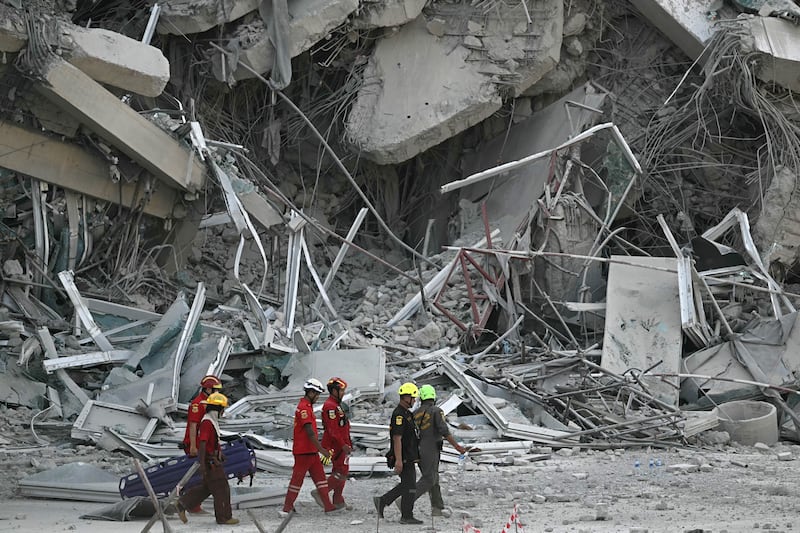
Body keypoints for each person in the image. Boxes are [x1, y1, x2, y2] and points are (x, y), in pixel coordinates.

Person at [281, 378, 342, 515]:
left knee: (320, 479)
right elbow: (309, 432)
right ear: (311, 392)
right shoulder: (304, 408)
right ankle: (287, 507)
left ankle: (328, 506)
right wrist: (322, 450)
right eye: (317, 394)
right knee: (297, 480)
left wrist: (318, 449)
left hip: (311, 451)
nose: (318, 397)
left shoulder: (307, 407)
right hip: (304, 452)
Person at [177, 392, 239, 525]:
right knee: (222, 488)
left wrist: (219, 454)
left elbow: (212, 442)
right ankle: (224, 517)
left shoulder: (210, 421)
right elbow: (203, 443)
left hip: (211, 459)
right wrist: (203, 465)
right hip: (210, 462)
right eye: (223, 409)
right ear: (218, 409)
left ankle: (183, 503)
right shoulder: (207, 423)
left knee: (207, 488)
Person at [373, 382, 423, 525]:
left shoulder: (407, 414)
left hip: (409, 455)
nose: (414, 401)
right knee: (410, 486)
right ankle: (406, 515)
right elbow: (397, 438)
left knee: (408, 485)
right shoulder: (399, 415)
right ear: (406, 397)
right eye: (413, 398)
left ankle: (383, 501)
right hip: (403, 456)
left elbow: (411, 437)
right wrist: (399, 460)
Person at [414, 384, 466, 517]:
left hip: (419, 449)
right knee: (429, 478)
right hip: (431, 449)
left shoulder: (415, 413)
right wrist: (457, 447)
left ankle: (437, 507)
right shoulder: (437, 411)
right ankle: (405, 501)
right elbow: (444, 431)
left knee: (434, 478)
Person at [181, 374, 223, 514]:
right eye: (215, 390)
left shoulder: (209, 401)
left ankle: (192, 504)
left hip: (203, 442)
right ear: (207, 389)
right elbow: (193, 425)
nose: (217, 392)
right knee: (199, 474)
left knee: (204, 474)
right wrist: (193, 446)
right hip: (196, 443)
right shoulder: (197, 404)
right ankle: (192, 505)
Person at [313, 377, 352, 510]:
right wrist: (343, 445)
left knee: (342, 470)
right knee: (341, 471)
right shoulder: (330, 406)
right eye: (341, 390)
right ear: (334, 391)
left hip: (342, 444)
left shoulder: (336, 405)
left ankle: (338, 499)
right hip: (336, 445)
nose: (343, 393)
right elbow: (333, 430)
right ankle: (321, 492)